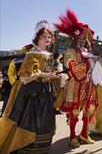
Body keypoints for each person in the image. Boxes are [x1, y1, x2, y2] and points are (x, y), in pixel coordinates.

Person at [0, 20, 66, 153]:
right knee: (29, 119)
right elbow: (25, 75)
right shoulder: (31, 54)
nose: (47, 39)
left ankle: (42, 148)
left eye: (49, 37)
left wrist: (58, 76)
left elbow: (53, 71)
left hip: (45, 91)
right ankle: (27, 147)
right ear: (37, 38)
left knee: (45, 120)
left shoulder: (50, 56)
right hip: (32, 93)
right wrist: (47, 75)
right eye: (44, 37)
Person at [54, 9, 99, 148]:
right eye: (79, 40)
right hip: (75, 85)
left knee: (88, 109)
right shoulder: (70, 51)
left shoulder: (88, 52)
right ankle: (72, 136)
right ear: (74, 40)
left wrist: (96, 63)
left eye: (83, 40)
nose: (81, 42)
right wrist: (88, 63)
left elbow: (93, 67)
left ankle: (84, 134)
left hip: (88, 85)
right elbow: (71, 66)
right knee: (74, 112)